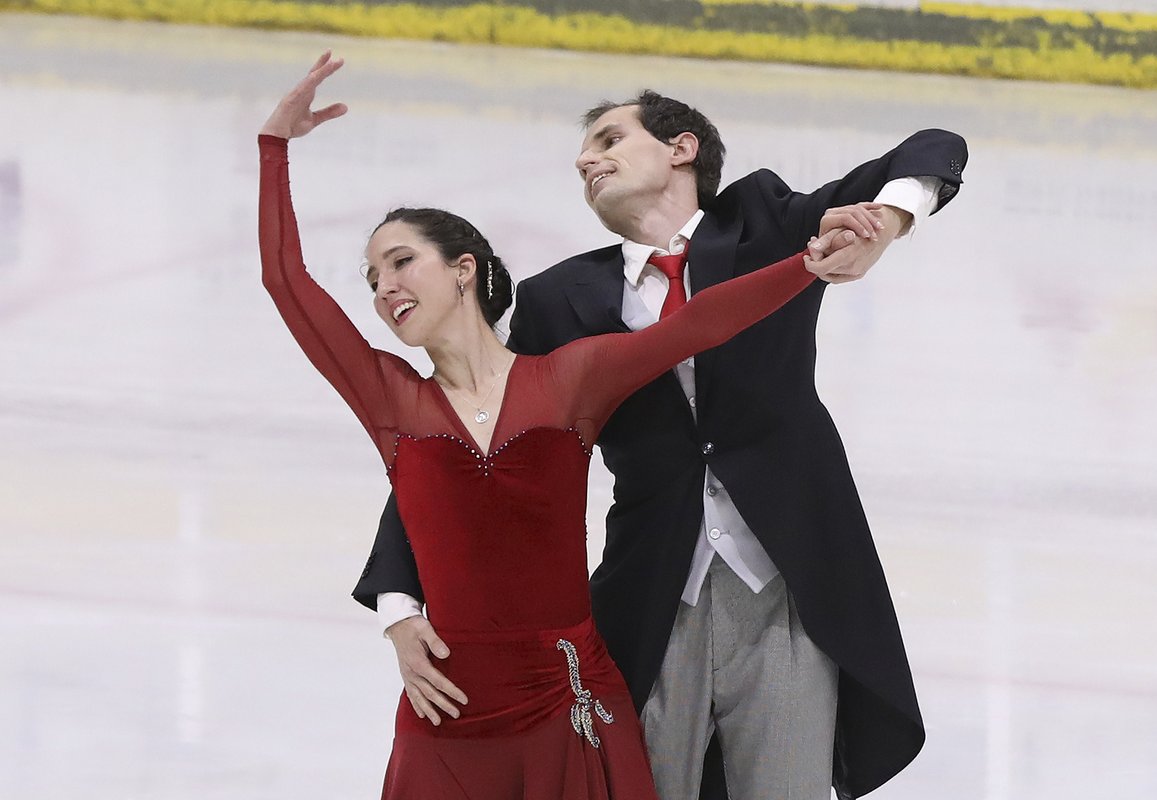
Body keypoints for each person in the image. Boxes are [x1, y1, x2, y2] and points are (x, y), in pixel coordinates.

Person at [258, 52, 853, 800]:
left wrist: (809, 264)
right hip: (448, 712)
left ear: (463, 268)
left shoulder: (568, 379)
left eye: (402, 262)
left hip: (570, 704)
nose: (386, 289)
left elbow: (699, 323)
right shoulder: (392, 403)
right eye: (374, 280)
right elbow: (286, 282)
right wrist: (273, 147)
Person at [358, 78, 968, 799]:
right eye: (583, 153)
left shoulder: (765, 222)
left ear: (682, 149)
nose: (587, 161)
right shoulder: (559, 299)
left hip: (790, 592)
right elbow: (461, 452)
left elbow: (935, 149)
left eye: (609, 139)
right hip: (649, 600)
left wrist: (887, 223)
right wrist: (398, 602)